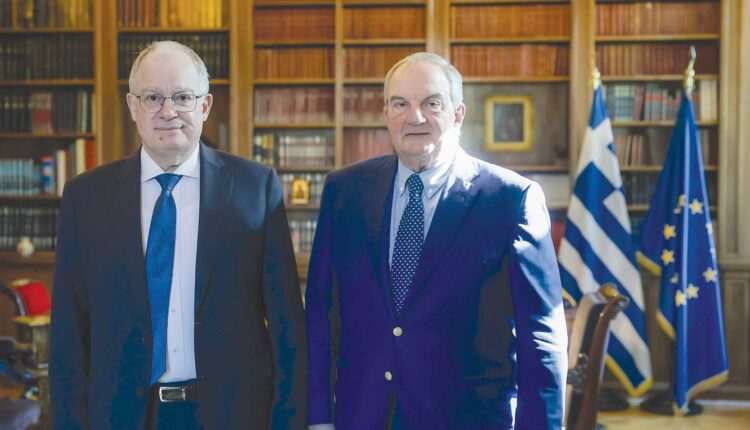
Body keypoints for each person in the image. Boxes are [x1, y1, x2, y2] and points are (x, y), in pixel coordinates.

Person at [49, 41, 307, 429]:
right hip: (123, 417)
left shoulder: (255, 189)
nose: (168, 112)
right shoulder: (86, 197)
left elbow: (288, 328)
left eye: (183, 97)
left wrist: (288, 422)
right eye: (153, 97)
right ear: (133, 106)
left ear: (205, 106)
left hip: (231, 415)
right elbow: (67, 334)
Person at [306, 52, 567, 429]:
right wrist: (318, 417)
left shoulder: (511, 199)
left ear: (457, 114)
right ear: (385, 114)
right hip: (361, 415)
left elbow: (540, 336)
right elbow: (320, 314)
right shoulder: (345, 191)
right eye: (400, 104)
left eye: (432, 103)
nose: (415, 117)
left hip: (468, 419)